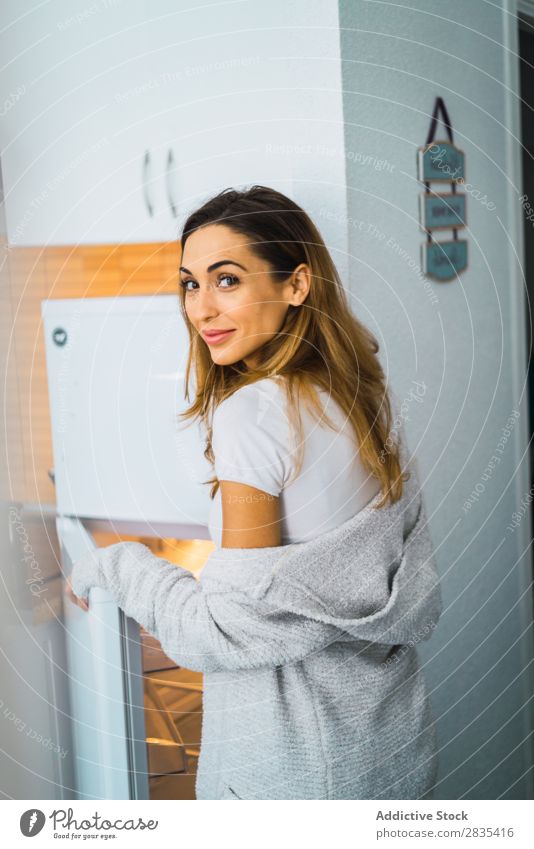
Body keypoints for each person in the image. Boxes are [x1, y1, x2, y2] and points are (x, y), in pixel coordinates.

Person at [67, 185, 441, 799]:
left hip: (294, 773)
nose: (201, 309)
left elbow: (226, 632)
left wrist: (119, 563)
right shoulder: (366, 393)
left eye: (228, 280)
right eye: (190, 284)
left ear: (297, 285)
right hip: (386, 750)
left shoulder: (255, 415)